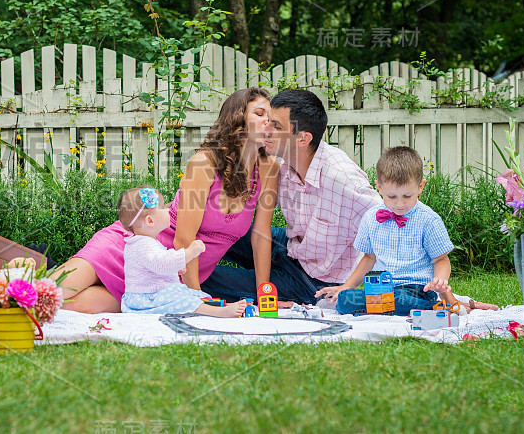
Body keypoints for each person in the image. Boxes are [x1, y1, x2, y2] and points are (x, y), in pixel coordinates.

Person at [55, 87, 279, 313]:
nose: (267, 122)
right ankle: (23, 277)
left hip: (170, 277)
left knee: (74, 306)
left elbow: (261, 236)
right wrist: (196, 299)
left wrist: (264, 294)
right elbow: (184, 239)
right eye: (259, 114)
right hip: (133, 248)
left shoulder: (269, 170)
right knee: (48, 293)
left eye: (271, 118)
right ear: (237, 119)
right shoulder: (205, 163)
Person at [203, 89, 380, 305]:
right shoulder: (283, 165)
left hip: (309, 282)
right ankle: (159, 254)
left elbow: (392, 227)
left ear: (303, 139)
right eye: (267, 121)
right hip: (288, 246)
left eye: (276, 126)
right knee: (219, 227)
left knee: (204, 280)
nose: (265, 130)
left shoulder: (342, 179)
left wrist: (349, 285)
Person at [315, 146, 464, 315]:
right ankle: (384, 308)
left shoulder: (429, 220)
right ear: (379, 187)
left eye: (407, 196)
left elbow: (441, 260)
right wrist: (346, 286)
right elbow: (369, 258)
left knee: (400, 299)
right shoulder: (371, 218)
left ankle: (433, 307)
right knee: (345, 300)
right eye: (391, 196)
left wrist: (440, 280)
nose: (399, 204)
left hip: (416, 290)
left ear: (420, 186)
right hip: (379, 289)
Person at [118, 186, 247, 317]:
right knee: (183, 299)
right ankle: (218, 312)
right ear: (150, 221)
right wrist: (191, 251)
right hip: (147, 299)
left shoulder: (144, 242)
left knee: (192, 294)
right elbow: (163, 264)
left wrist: (174, 269)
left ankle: (218, 305)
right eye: (162, 208)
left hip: (152, 295)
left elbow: (156, 267)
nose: (168, 210)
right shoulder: (143, 245)